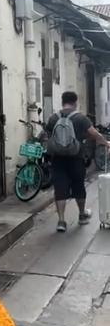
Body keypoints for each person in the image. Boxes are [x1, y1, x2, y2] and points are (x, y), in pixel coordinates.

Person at [46, 91, 110, 232]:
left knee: (60, 189)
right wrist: (106, 143)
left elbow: (48, 136)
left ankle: (61, 221)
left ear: (62, 102)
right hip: (76, 158)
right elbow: (95, 134)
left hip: (58, 159)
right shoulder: (81, 118)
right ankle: (82, 215)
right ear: (75, 102)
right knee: (78, 186)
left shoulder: (53, 118)